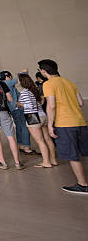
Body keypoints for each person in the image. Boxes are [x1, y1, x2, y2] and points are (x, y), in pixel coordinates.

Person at [39, 59, 87, 194]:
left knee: (73, 156)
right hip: (80, 122)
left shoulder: (48, 84)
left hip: (65, 124)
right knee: (84, 152)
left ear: (43, 71)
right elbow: (80, 103)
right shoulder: (69, 82)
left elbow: (52, 105)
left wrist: (50, 125)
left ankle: (83, 185)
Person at [17, 73, 57, 168]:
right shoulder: (35, 90)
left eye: (18, 79)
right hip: (43, 115)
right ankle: (53, 160)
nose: (17, 81)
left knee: (40, 141)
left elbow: (30, 106)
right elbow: (40, 102)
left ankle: (46, 162)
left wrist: (20, 104)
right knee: (47, 139)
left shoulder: (24, 92)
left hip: (32, 116)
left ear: (22, 81)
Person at [0, 70, 35, 154]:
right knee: (24, 127)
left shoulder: (4, 85)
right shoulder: (7, 83)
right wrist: (24, 72)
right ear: (8, 77)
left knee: (19, 127)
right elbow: (19, 78)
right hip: (17, 109)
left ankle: (21, 146)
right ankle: (27, 147)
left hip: (12, 109)